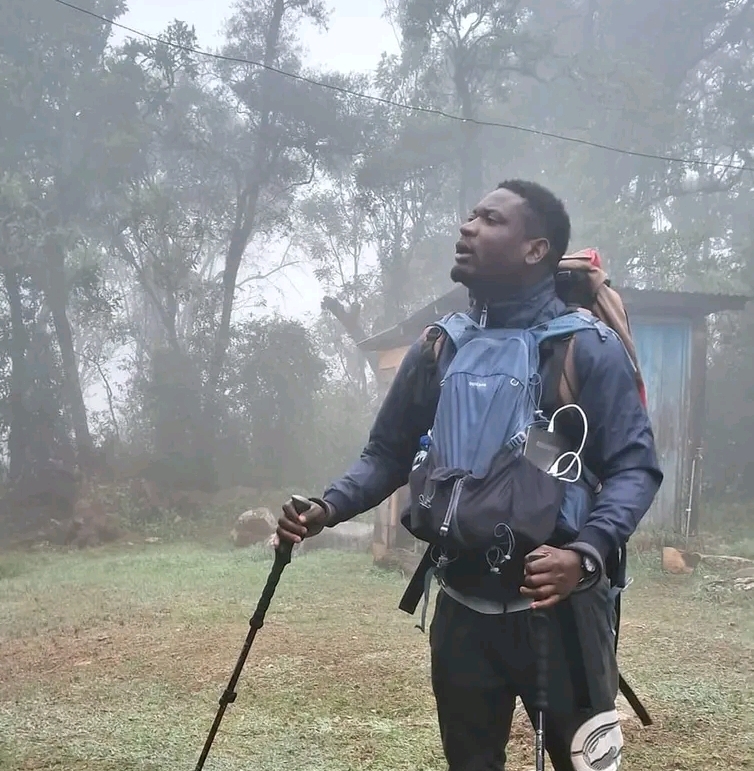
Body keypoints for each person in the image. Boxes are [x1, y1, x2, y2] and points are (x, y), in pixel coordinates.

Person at [275, 180, 663, 771]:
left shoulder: (586, 347)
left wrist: (585, 553)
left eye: (490, 219)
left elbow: (635, 466)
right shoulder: (440, 347)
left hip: (560, 612)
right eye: (471, 215)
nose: (467, 226)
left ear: (535, 249)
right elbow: (386, 454)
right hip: (460, 610)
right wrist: (328, 507)